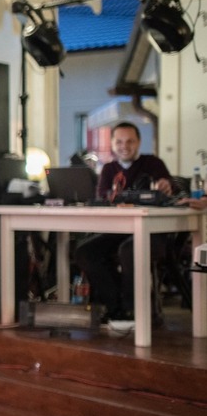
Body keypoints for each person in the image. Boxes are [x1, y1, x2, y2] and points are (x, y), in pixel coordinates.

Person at [74, 122, 174, 321]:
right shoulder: (109, 169)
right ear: (112, 143)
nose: (124, 146)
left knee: (129, 250)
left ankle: (133, 311)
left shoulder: (153, 164)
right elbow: (102, 198)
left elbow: (172, 189)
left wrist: (167, 186)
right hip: (118, 231)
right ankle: (115, 307)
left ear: (139, 142)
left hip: (152, 231)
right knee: (84, 252)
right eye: (119, 142)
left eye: (130, 141)